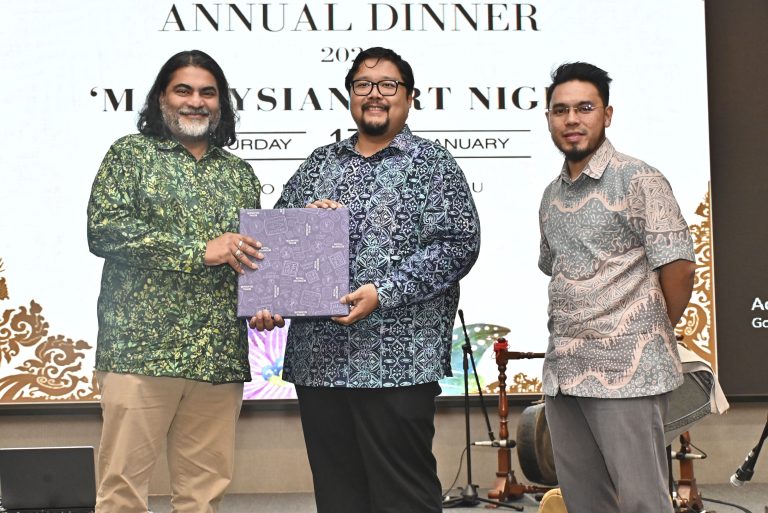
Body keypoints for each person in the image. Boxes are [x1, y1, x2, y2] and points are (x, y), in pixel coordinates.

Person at [250, 47, 480, 513]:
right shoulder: (319, 164)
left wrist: (384, 292)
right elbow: (275, 242)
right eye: (363, 85)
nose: (375, 94)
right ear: (350, 95)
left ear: (409, 97)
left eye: (388, 85)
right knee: (339, 498)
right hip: (320, 364)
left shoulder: (433, 165)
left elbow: (458, 245)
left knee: (404, 499)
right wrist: (292, 252)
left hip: (398, 364)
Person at [87, 50, 263, 513]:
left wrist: (269, 296)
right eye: (183, 90)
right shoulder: (130, 155)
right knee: (122, 493)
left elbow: (251, 255)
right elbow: (104, 230)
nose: (196, 101)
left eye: (208, 92)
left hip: (217, 357)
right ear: (161, 98)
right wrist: (198, 251)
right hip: (140, 352)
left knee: (202, 499)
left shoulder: (239, 174)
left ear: (221, 103)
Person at [538, 62, 696, 513]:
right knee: (585, 502)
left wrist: (644, 333)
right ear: (549, 118)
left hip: (628, 375)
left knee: (643, 502)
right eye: (561, 110)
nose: (572, 119)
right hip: (565, 374)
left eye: (584, 108)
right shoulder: (551, 195)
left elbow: (679, 269)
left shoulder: (639, 179)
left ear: (607, 115)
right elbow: (556, 269)